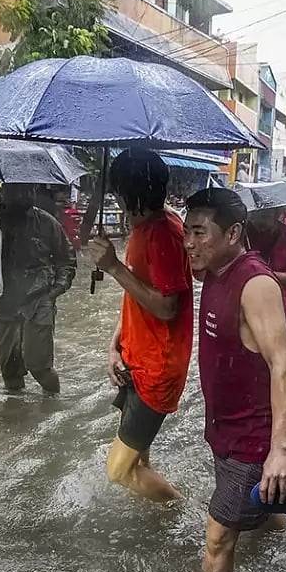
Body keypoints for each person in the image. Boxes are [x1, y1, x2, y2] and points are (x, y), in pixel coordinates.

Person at [183, 188, 286, 572]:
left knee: (217, 539)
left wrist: (279, 451)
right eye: (186, 232)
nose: (189, 243)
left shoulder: (256, 285)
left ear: (233, 234)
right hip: (224, 427)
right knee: (261, 511)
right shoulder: (216, 272)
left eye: (199, 232)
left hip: (251, 437)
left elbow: (283, 365)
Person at [86, 150, 193, 503]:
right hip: (136, 358)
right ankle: (151, 523)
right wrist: (114, 344)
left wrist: (114, 267)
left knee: (118, 470)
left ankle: (180, 507)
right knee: (138, 457)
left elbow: (165, 307)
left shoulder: (162, 234)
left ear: (125, 194)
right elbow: (138, 297)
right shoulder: (146, 228)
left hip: (157, 369)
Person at [0, 183, 76, 393]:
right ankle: (17, 416)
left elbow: (67, 261)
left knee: (40, 368)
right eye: (17, 190)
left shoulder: (46, 223)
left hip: (39, 302)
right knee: (10, 371)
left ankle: (52, 406)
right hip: (4, 303)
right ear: (4, 192)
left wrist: (53, 293)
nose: (25, 195)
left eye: (29, 190)